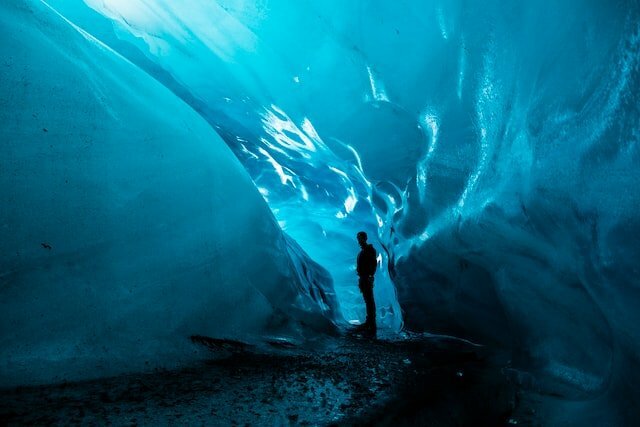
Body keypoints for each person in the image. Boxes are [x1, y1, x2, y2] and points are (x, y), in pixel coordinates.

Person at [356, 231, 377, 333]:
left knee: (369, 300)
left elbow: (373, 263)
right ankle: (369, 321)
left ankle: (371, 323)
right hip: (363, 278)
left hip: (366, 278)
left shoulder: (369, 250)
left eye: (359, 238)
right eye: (358, 239)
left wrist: (370, 276)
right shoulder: (364, 251)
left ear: (364, 238)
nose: (358, 241)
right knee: (367, 300)